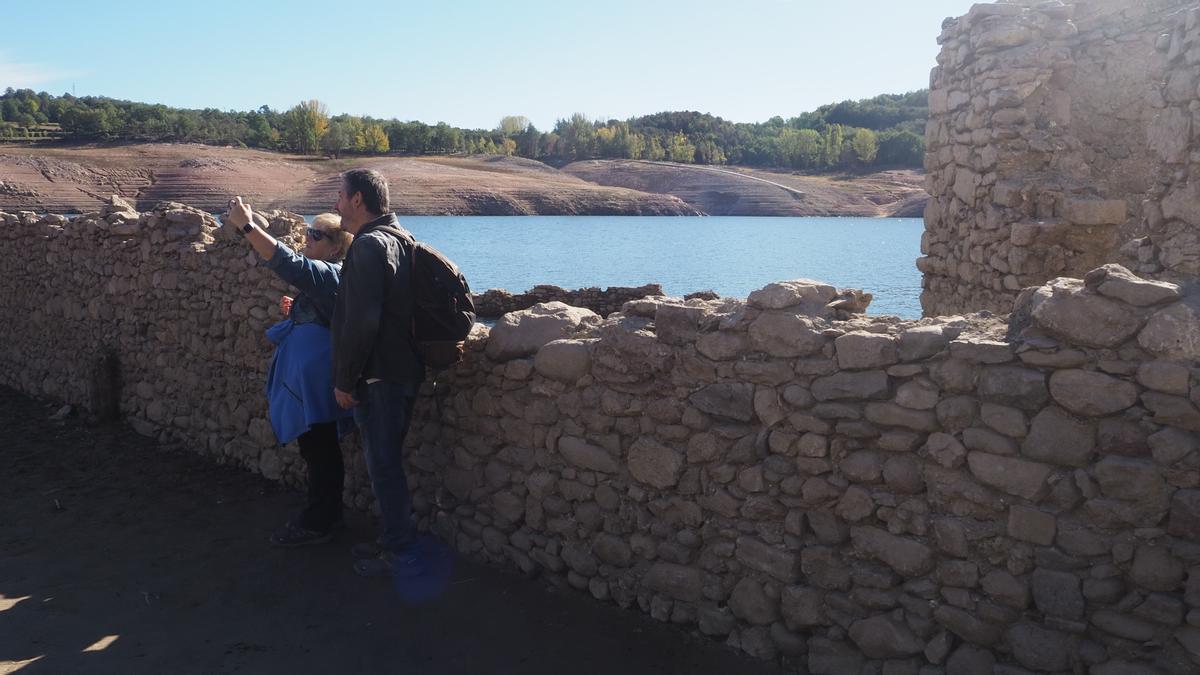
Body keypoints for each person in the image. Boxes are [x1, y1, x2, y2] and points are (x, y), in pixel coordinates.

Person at [224, 198, 354, 547]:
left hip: (317, 389)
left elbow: (287, 263)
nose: (307, 238)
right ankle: (326, 517)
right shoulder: (326, 279)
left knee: (321, 451)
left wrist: (248, 227)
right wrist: (297, 309)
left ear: (336, 247)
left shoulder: (332, 274)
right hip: (309, 387)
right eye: (308, 232)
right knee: (317, 450)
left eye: (317, 235)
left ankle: (319, 523)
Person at [330, 168, 427, 577]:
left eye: (340, 195)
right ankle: (395, 541)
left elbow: (364, 321)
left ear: (357, 200)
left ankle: (400, 552)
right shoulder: (402, 239)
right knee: (386, 462)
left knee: (383, 465)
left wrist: (345, 378)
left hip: (379, 377)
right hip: (403, 370)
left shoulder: (369, 246)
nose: (335, 204)